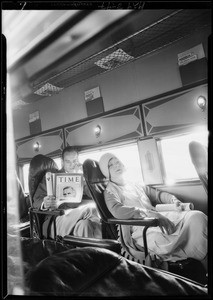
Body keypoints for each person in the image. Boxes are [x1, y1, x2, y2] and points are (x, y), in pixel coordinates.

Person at [99, 153, 208, 271]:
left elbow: (157, 195)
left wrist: (173, 200)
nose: (116, 165)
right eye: (110, 165)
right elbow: (117, 211)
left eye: (117, 161)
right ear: (106, 171)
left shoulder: (133, 184)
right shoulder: (110, 191)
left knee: (196, 216)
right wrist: (148, 213)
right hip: (141, 227)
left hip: (156, 217)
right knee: (195, 222)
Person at [33, 147, 102, 239]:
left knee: (85, 225)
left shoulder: (81, 177)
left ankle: (95, 252)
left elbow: (93, 194)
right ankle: (106, 247)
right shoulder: (51, 176)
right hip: (57, 218)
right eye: (68, 162)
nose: (72, 165)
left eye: (74, 161)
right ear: (62, 162)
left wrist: (84, 175)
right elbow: (36, 200)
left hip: (78, 217)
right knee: (92, 209)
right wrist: (45, 203)